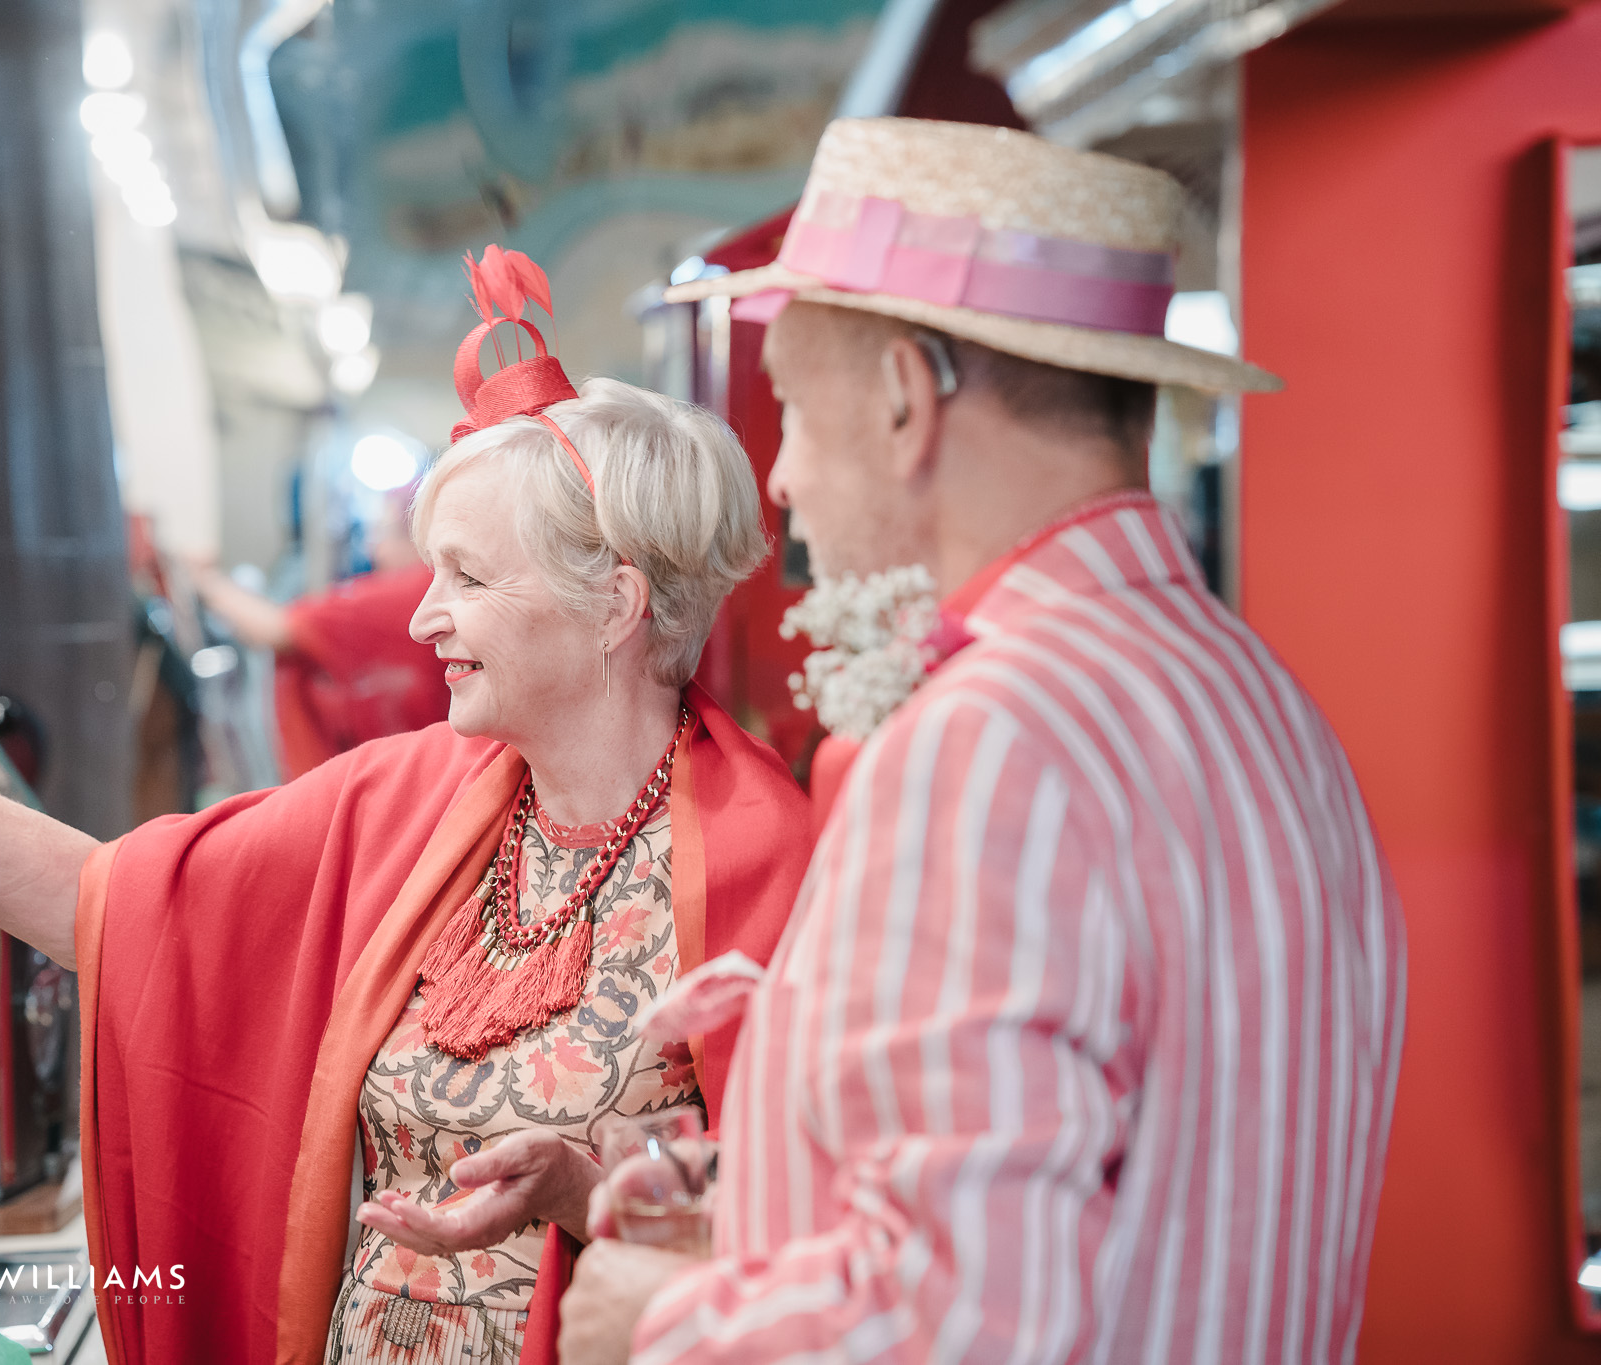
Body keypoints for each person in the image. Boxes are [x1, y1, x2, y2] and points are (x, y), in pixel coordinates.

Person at [561, 118, 1408, 1364]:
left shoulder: (988, 741)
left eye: (790, 408)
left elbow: (959, 1322)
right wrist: (763, 1222)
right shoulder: (1259, 698)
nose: (781, 476)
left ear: (904, 399)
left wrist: (660, 1320)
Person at [0, 250, 813, 1365]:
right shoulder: (404, 797)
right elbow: (117, 908)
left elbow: (808, 1245)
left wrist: (583, 1196)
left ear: (615, 605)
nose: (420, 623)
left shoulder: (766, 861)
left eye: (467, 579)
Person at [189, 492, 451, 779]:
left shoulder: (404, 592)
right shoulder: (432, 590)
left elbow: (274, 628)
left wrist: (204, 579)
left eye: (383, 533)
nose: (374, 549)